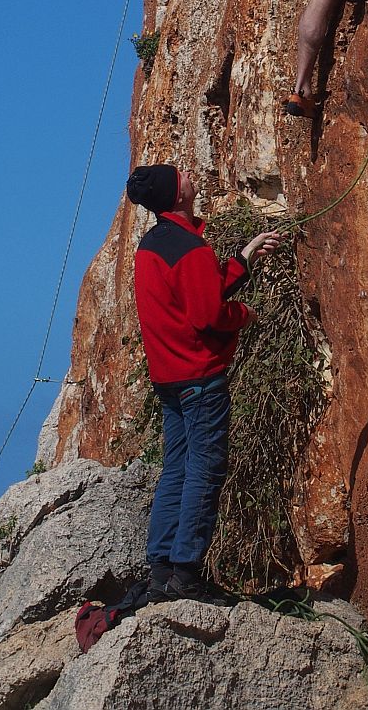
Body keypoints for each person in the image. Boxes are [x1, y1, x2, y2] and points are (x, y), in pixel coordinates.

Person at [125, 162, 279, 601]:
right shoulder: (189, 248)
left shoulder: (153, 245)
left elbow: (195, 293)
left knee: (176, 469)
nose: (191, 176)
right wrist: (245, 315)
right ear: (177, 195)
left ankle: (161, 570)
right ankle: (187, 573)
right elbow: (208, 314)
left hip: (170, 379)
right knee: (204, 471)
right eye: (184, 176)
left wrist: (243, 259)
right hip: (200, 378)